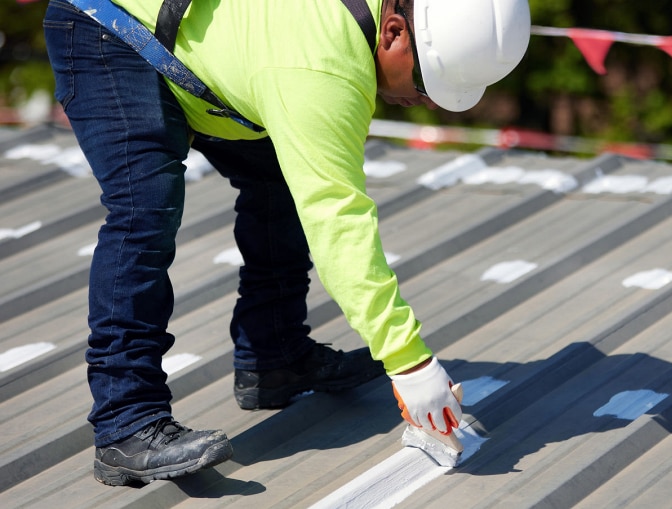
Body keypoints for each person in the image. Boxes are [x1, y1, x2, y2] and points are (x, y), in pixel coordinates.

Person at [43, 0, 531, 486]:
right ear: (394, 33)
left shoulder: (341, 39)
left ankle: (274, 358)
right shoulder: (323, 67)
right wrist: (409, 362)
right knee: (144, 210)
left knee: (281, 174)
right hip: (108, 27)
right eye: (428, 85)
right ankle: (125, 421)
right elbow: (338, 220)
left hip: (195, 52)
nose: (429, 102)